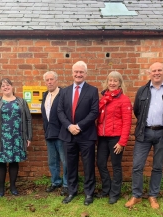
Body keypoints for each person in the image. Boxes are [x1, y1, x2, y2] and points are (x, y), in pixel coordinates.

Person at [125, 62, 163, 209]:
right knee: (137, 166)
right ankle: (136, 196)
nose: (156, 73)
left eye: (159, 70)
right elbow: (137, 111)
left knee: (157, 166)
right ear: (149, 73)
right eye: (153, 71)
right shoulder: (142, 91)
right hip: (144, 132)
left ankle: (153, 196)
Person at [57, 61, 99, 205]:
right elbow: (60, 111)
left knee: (88, 165)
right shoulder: (65, 91)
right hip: (68, 135)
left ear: (86, 74)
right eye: (76, 72)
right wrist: (69, 126)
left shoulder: (92, 91)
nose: (78, 74)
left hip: (86, 134)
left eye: (81, 72)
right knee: (70, 165)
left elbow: (94, 112)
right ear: (72, 73)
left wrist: (79, 126)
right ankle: (71, 191)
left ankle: (89, 193)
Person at [0, 78, 32, 197]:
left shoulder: (21, 101)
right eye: (3, 86)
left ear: (12, 87)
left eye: (7, 85)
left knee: (14, 162)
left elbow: (28, 119)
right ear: (0, 88)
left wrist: (28, 137)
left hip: (17, 137)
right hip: (0, 138)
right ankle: (1, 187)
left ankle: (13, 186)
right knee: (1, 162)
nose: (5, 87)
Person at [96, 71, 132, 204]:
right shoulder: (103, 98)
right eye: (110, 80)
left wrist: (122, 142)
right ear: (107, 82)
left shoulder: (124, 100)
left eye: (115, 81)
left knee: (116, 166)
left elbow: (127, 122)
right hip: (103, 137)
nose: (112, 83)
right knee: (100, 163)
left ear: (119, 83)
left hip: (116, 138)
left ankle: (115, 193)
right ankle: (106, 189)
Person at [41, 71, 68, 196]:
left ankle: (67, 184)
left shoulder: (63, 94)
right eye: (47, 80)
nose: (49, 82)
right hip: (49, 134)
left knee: (65, 160)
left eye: (52, 79)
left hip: (61, 134)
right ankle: (55, 181)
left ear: (56, 81)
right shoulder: (45, 95)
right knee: (52, 161)